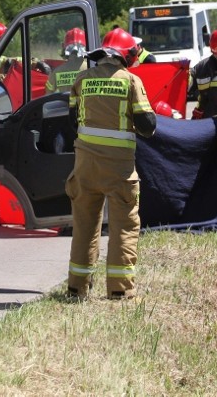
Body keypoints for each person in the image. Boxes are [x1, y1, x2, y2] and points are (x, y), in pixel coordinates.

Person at [65, 28, 157, 300]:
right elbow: (147, 126)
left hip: (84, 166)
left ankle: (76, 289)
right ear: (126, 55)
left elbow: (72, 121)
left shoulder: (82, 80)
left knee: (84, 226)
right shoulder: (131, 81)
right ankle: (119, 290)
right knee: (124, 227)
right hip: (119, 170)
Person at [45, 27, 88, 94]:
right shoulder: (91, 68)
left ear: (64, 47)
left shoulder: (57, 72)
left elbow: (48, 94)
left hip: (64, 104)